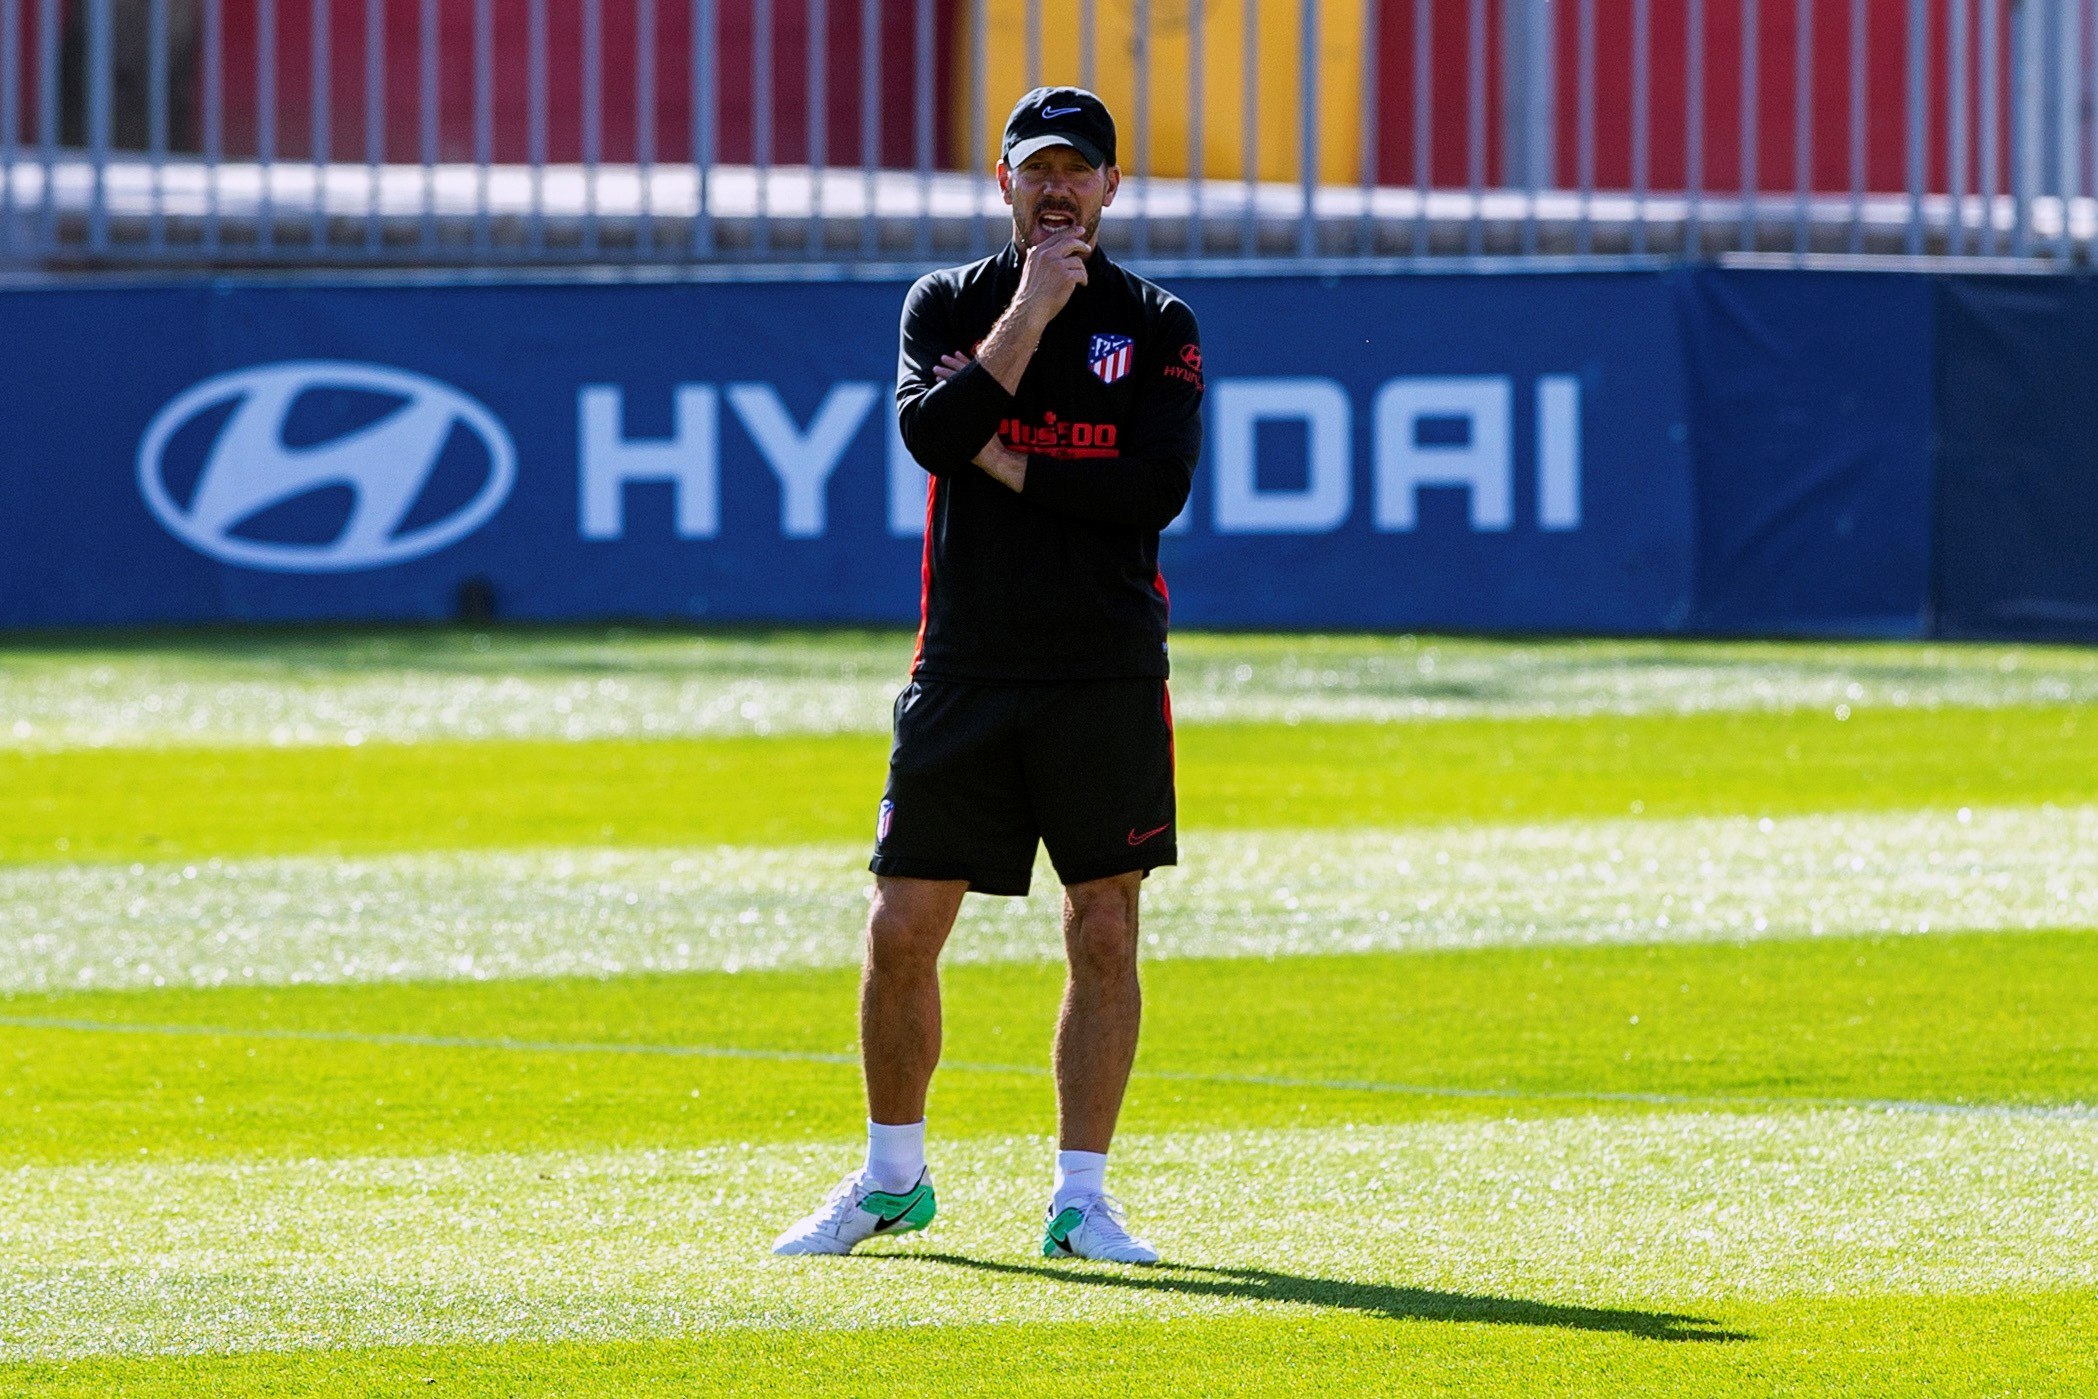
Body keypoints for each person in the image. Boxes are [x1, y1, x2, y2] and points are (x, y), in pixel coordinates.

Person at [772, 85, 1204, 1264]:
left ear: (1114, 186)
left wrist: (1005, 463)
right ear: (1002, 183)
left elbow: (1149, 495)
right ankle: (891, 1177)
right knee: (903, 922)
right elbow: (929, 433)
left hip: (1105, 669)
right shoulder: (949, 303)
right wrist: (1030, 311)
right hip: (964, 666)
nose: (1056, 190)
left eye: (1078, 171)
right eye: (1036, 170)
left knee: (1101, 927)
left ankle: (1082, 1198)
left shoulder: (1158, 324)